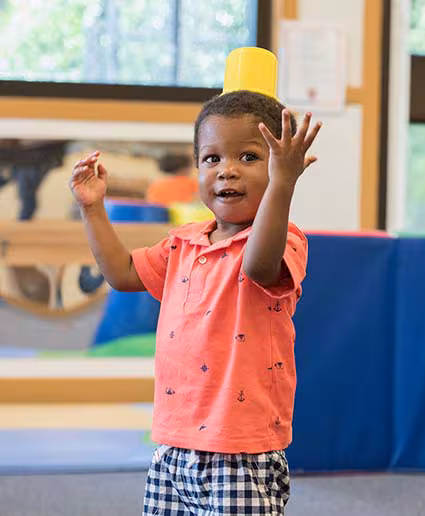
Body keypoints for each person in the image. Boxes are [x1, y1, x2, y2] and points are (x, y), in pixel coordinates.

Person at [69, 89, 321, 515]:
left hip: (241, 449)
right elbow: (122, 273)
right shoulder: (183, 242)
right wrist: (93, 209)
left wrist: (283, 182)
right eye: (212, 159)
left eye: (248, 158)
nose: (227, 172)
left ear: (278, 166)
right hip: (174, 441)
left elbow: (260, 268)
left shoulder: (286, 240)